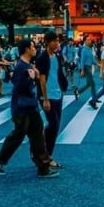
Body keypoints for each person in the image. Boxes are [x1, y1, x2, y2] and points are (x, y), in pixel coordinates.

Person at [0, 39, 57, 179]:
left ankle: (43, 167)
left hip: (31, 106)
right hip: (21, 108)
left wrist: (35, 77)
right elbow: (19, 86)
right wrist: (32, 78)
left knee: (38, 135)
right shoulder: (21, 66)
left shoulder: (28, 65)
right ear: (27, 49)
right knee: (18, 135)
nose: (35, 49)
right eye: (33, 47)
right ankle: (0, 159)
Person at [38, 32, 65, 164]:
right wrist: (45, 99)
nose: (57, 43)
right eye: (54, 41)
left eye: (57, 41)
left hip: (58, 93)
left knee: (56, 125)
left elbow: (58, 73)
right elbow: (42, 79)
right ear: (47, 42)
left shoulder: (57, 56)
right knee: (53, 124)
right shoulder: (42, 58)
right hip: (47, 96)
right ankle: (45, 154)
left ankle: (47, 153)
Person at [75, 39, 98, 104]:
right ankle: (94, 98)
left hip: (89, 67)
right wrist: (82, 70)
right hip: (86, 67)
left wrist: (97, 64)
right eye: (88, 40)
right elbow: (82, 60)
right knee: (92, 84)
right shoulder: (84, 50)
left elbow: (92, 59)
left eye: (90, 40)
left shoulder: (90, 49)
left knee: (88, 84)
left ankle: (78, 92)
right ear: (85, 42)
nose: (90, 41)